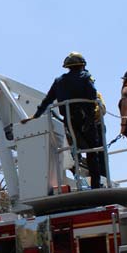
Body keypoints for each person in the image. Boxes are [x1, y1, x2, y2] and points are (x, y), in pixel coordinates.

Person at [27, 52, 105, 189]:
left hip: (70, 123)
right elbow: (93, 97)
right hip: (87, 121)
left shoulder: (59, 81)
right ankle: (96, 184)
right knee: (93, 152)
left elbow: (47, 100)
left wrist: (36, 115)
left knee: (76, 148)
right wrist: (90, 120)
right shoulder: (86, 77)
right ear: (82, 65)